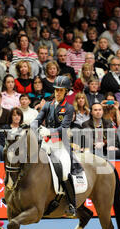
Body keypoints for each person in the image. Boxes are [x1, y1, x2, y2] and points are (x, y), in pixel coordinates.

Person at [34, 75, 77, 217]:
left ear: (66, 92)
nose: (58, 93)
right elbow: (38, 119)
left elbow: (64, 128)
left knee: (64, 172)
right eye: (56, 90)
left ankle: (72, 204)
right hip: (46, 142)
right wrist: (32, 125)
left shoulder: (69, 108)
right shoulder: (47, 105)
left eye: (61, 90)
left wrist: (49, 131)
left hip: (60, 144)